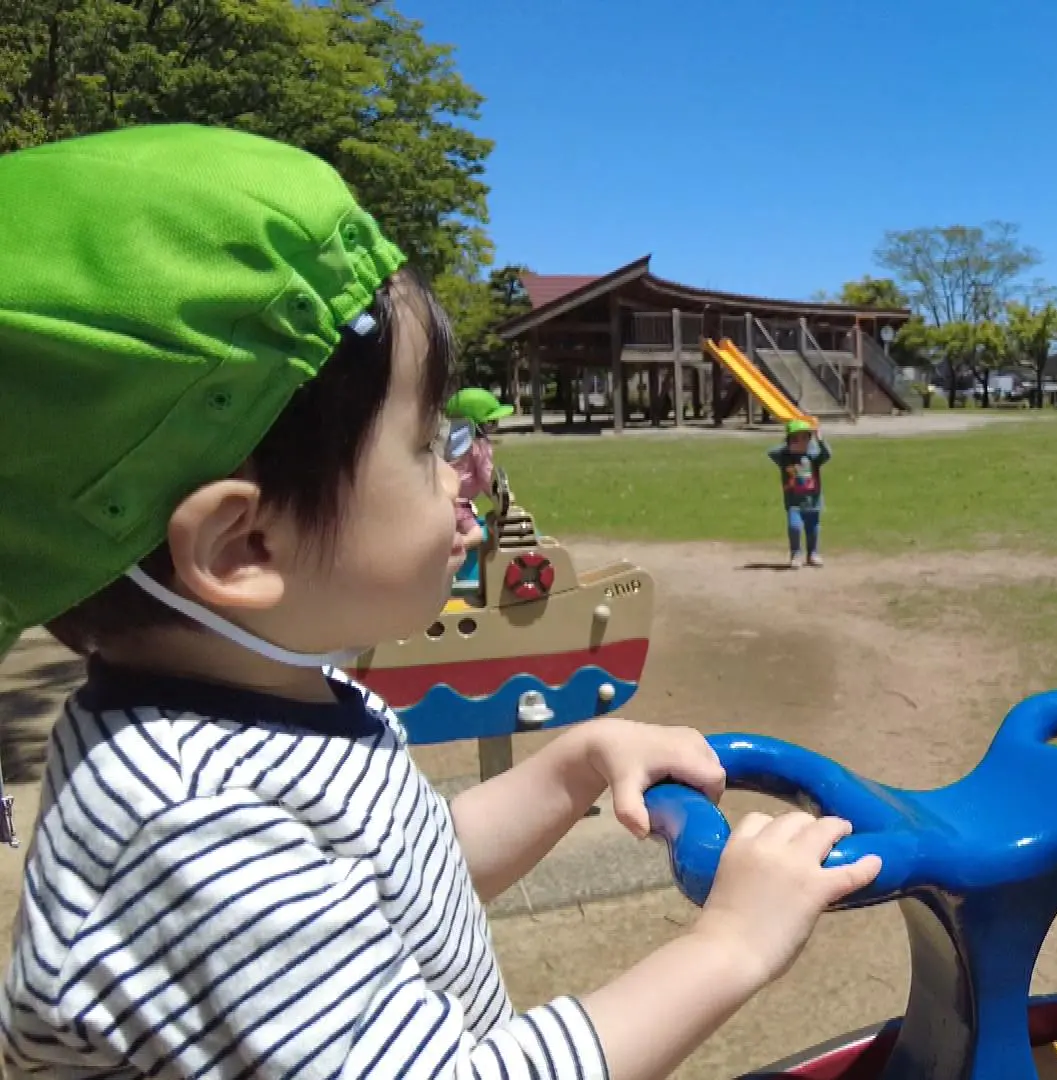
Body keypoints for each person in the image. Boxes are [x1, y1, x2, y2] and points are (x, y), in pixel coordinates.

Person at [0, 124, 881, 1080]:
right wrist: (731, 950)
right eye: (427, 445)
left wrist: (575, 764)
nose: (464, 474)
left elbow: (411, 879)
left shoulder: (274, 710)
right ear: (244, 546)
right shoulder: (190, 831)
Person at [447, 387, 514, 597]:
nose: (495, 426)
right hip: (459, 504)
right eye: (491, 422)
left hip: (444, 503)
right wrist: (505, 498)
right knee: (476, 535)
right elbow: (487, 480)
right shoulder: (479, 447)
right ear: (476, 424)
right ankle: (450, 552)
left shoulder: (449, 444)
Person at [769, 418, 831, 568]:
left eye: (804, 438)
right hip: (794, 503)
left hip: (813, 502)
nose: (801, 442)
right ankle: (796, 553)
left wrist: (820, 439)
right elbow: (771, 453)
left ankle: (813, 553)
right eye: (796, 439)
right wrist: (788, 447)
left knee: (813, 530)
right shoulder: (784, 457)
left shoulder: (813, 457)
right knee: (794, 527)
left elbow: (827, 454)